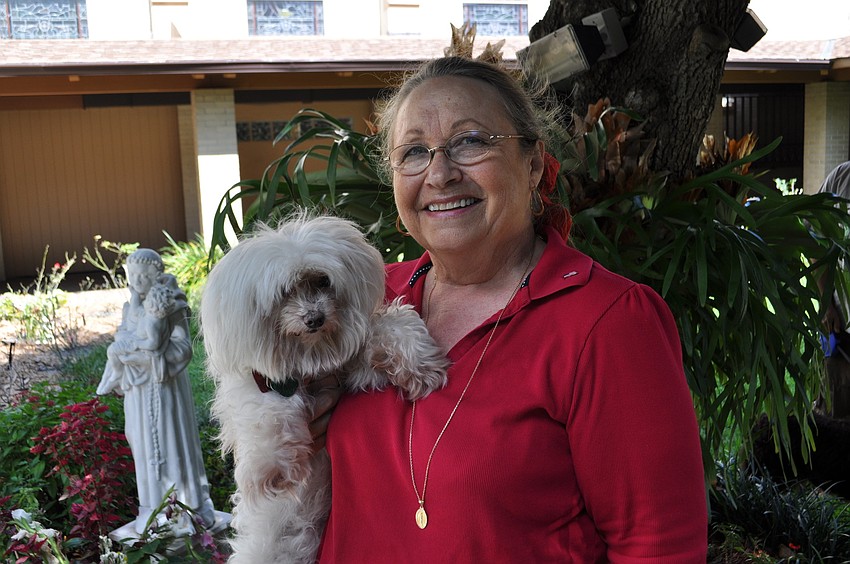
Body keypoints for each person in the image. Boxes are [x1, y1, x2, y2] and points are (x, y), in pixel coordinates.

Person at [310, 56, 707, 561]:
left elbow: (658, 546)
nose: (440, 174)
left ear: (534, 164)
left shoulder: (608, 322)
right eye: (414, 152)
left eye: (470, 142)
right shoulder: (362, 299)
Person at [97, 249, 216, 535]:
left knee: (171, 443)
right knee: (141, 443)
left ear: (156, 276)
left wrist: (150, 358)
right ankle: (152, 508)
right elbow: (124, 338)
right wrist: (132, 354)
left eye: (143, 275)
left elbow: (184, 348)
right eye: (132, 275)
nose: (137, 281)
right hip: (138, 390)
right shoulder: (130, 308)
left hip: (166, 389)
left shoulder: (172, 306)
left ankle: (185, 508)